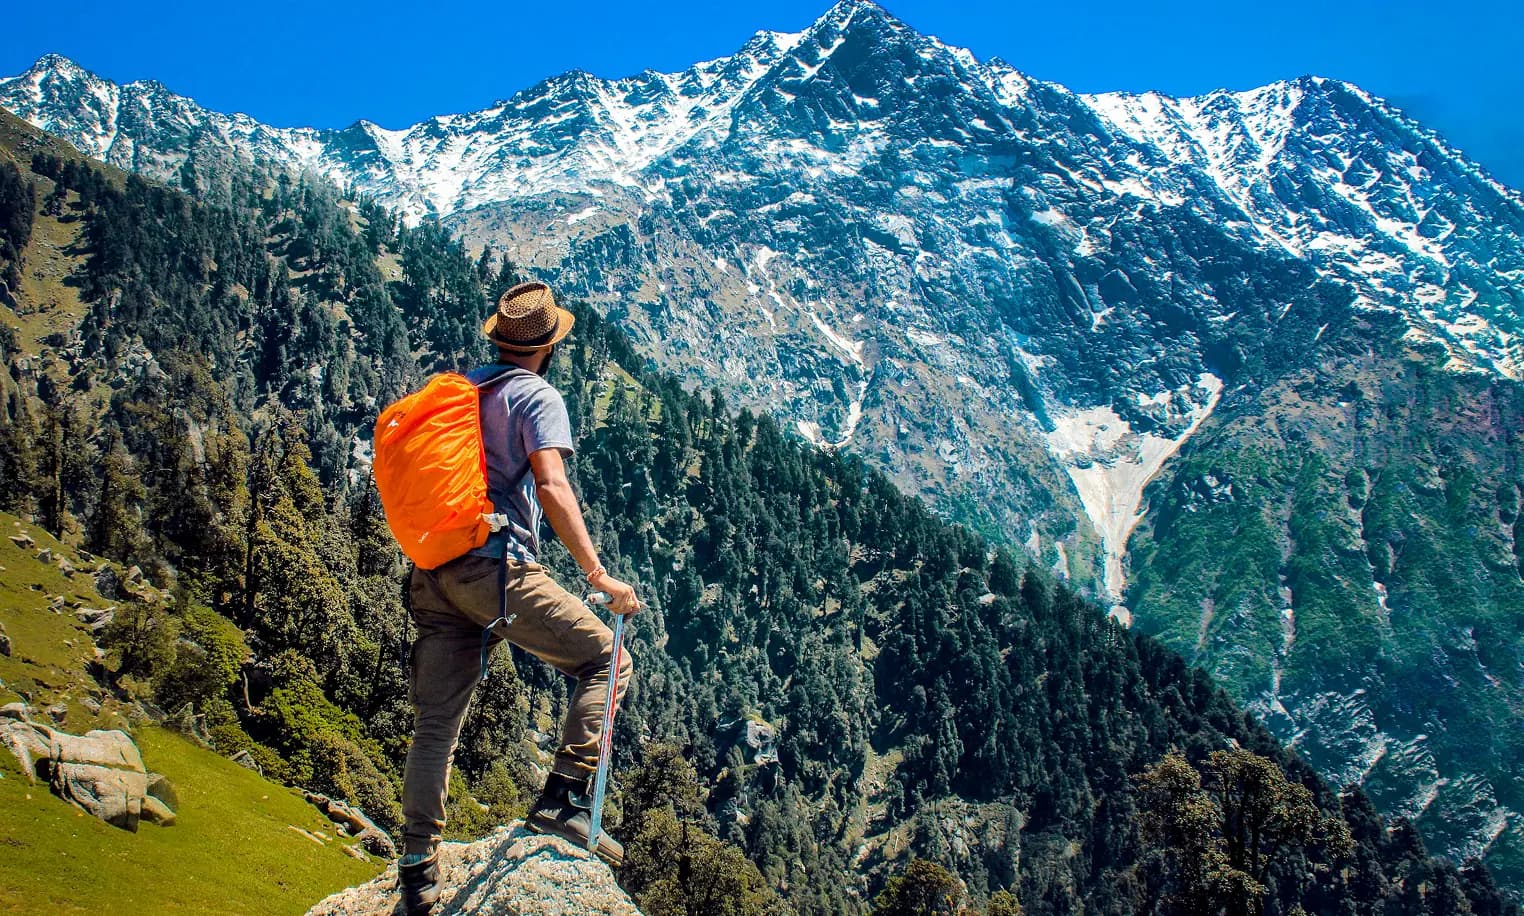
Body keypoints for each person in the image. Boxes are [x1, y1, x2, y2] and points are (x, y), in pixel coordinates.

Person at [397, 281, 639, 913]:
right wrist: (598, 575)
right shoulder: (536, 394)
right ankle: (563, 801)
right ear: (548, 346)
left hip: (435, 571)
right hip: (495, 569)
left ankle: (418, 870)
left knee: (434, 728)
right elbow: (552, 486)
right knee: (605, 660)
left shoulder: (467, 390)